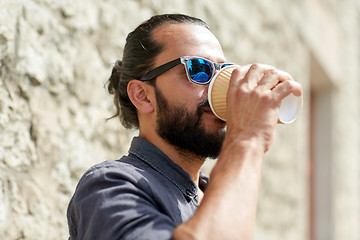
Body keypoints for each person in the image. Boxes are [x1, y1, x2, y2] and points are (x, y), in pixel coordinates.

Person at [67, 13, 302, 240]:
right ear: (143, 96)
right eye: (199, 69)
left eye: (223, 72)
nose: (216, 88)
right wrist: (248, 138)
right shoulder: (110, 185)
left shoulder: (214, 195)